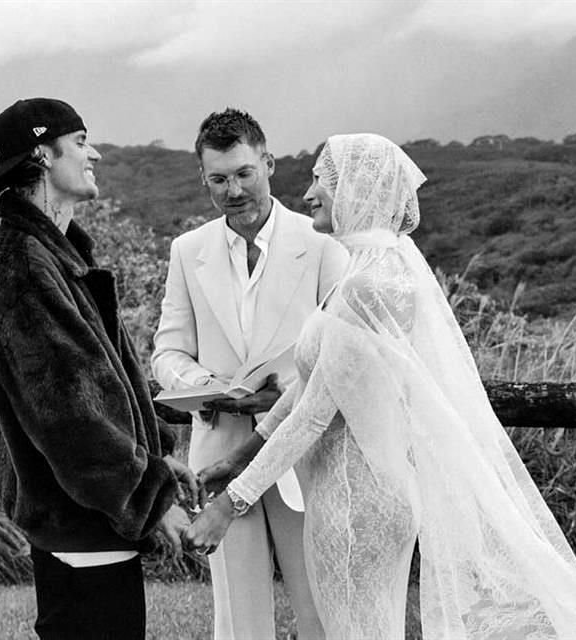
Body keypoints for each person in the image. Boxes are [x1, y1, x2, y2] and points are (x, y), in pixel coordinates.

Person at [186, 133, 576, 640]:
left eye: (320, 181)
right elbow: (306, 390)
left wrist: (229, 505)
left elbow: (314, 415)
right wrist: (235, 462)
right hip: (349, 497)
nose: (308, 194)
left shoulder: (369, 288)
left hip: (356, 506)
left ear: (357, 191)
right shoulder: (365, 275)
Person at [0, 98, 196, 640]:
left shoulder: (57, 255)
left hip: (92, 516)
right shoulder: (21, 264)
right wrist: (151, 498)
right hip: (78, 520)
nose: (93, 153)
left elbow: (109, 383)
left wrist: (159, 461)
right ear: (43, 155)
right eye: (80, 142)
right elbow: (70, 416)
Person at [152, 108, 347, 640]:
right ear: (204, 180)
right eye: (218, 179)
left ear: (269, 164)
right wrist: (203, 386)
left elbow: (342, 352)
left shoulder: (323, 242)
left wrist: (287, 389)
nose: (233, 189)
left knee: (321, 610)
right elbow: (167, 351)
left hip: (303, 454)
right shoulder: (187, 251)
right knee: (238, 619)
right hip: (217, 455)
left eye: (244, 173)